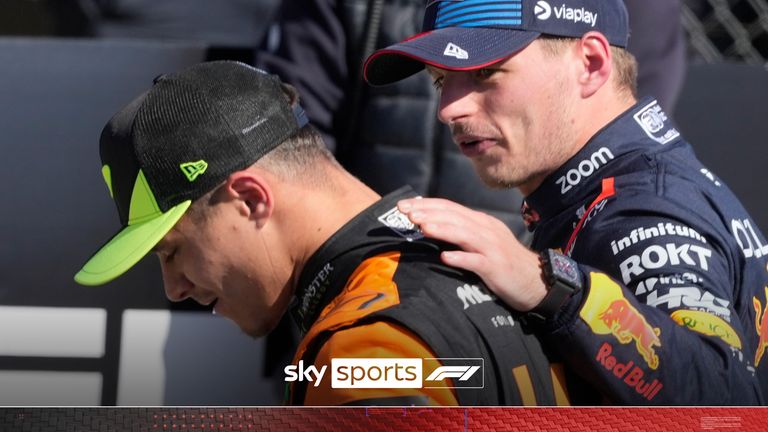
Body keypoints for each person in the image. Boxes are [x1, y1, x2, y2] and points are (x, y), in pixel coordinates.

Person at [74, 60, 570, 406]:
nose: (174, 288)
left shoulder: (360, 350)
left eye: (172, 251)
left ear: (250, 199)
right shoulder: (479, 263)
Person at [363, 0, 768, 404]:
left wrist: (550, 284)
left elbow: (729, 403)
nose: (449, 109)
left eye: (485, 72)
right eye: (440, 81)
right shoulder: (606, 188)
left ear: (590, 64)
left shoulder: (639, 213)